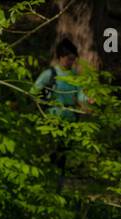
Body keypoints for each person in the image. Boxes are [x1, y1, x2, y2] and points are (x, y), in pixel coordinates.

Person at [32, 39, 91, 191]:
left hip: (70, 120)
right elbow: (34, 91)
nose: (71, 62)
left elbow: (80, 95)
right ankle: (45, 185)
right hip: (52, 119)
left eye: (73, 59)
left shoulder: (76, 77)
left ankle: (58, 187)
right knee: (51, 153)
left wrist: (88, 101)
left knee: (63, 155)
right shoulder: (49, 74)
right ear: (60, 57)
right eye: (68, 58)